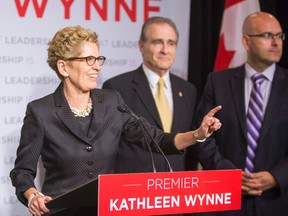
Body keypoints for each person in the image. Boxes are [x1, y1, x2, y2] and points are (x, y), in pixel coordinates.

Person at [9, 25, 221, 216]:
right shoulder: (41, 111)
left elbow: (155, 138)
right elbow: (22, 171)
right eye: (88, 60)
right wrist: (32, 195)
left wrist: (197, 135)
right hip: (62, 211)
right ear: (64, 67)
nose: (97, 67)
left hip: (107, 211)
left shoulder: (112, 100)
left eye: (98, 59)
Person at [193, 12, 288, 216]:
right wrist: (230, 174)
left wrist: (276, 176)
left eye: (279, 36)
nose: (275, 43)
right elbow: (202, 138)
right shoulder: (217, 82)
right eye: (267, 36)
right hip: (225, 200)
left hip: (278, 201)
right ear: (246, 41)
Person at [102, 16, 198, 174]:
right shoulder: (117, 87)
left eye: (171, 43)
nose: (165, 50)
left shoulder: (188, 90)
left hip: (176, 187)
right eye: (157, 42)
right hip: (135, 188)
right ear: (141, 46)